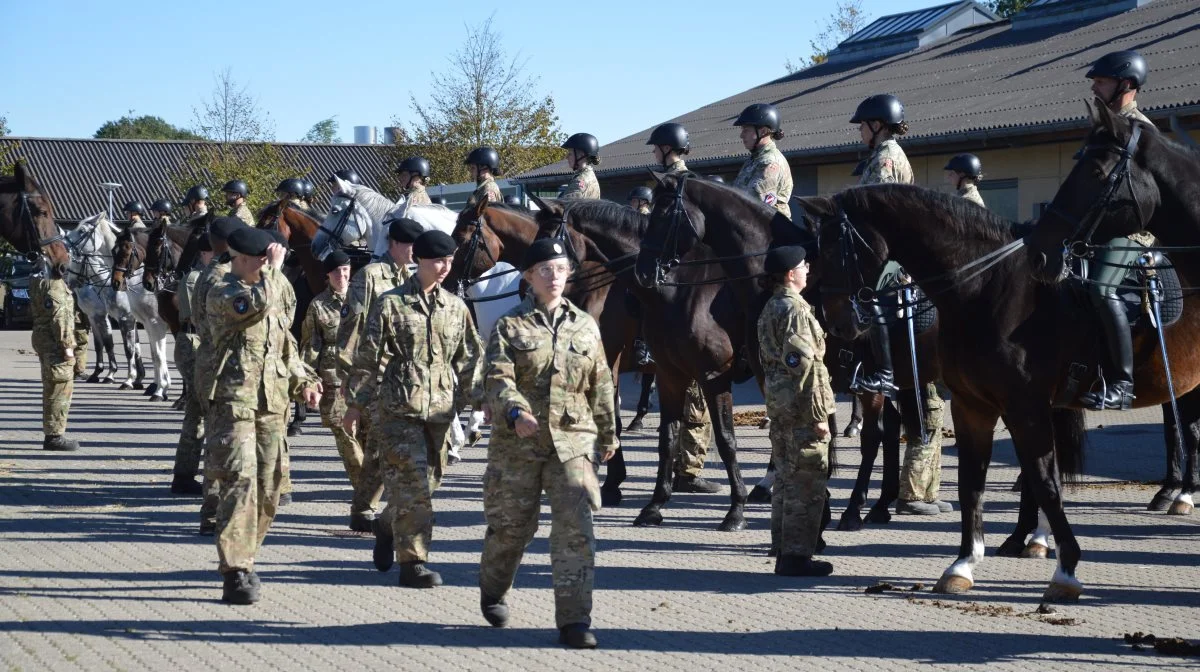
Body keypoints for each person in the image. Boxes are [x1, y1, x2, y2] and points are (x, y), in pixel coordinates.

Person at [478, 238, 618, 648]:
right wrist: (515, 411)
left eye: (560, 268)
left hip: (573, 441)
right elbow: (497, 379)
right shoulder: (509, 325)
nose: (553, 276)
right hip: (517, 444)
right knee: (511, 529)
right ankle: (494, 587)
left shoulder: (585, 325)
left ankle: (575, 621)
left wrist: (609, 433)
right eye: (544, 269)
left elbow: (602, 382)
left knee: (576, 529)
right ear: (527, 277)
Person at [344, 230, 483, 588]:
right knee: (414, 488)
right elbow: (367, 359)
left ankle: (386, 524)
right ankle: (414, 563)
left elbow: (470, 359)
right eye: (438, 261)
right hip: (398, 410)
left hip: (439, 412)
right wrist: (356, 405)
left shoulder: (455, 307)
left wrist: (482, 404)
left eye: (449, 261)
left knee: (427, 484)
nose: (444, 268)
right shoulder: (391, 303)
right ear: (418, 261)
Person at [206, 226, 319, 604]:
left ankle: (246, 555)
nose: (267, 263)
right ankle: (235, 571)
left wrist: (305, 380)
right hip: (235, 403)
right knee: (240, 483)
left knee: (271, 488)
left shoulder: (271, 291)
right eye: (261, 259)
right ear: (241, 259)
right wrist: (274, 270)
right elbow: (256, 305)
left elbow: (285, 345)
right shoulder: (225, 291)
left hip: (272, 405)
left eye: (267, 259)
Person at [336, 218, 421, 535]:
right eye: (411, 245)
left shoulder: (408, 278)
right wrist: (349, 378)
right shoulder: (370, 277)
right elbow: (350, 329)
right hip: (370, 376)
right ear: (395, 244)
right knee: (381, 446)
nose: (415, 252)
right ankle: (379, 510)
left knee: (378, 448)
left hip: (397, 377)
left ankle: (364, 509)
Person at [1080, 49, 1154, 410]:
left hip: (1133, 231)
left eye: (1101, 81)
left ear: (1125, 85)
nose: (1094, 86)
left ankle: (1122, 383)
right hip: (1094, 227)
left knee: (1101, 286)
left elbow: (1143, 197)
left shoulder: (1141, 131)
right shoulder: (1101, 127)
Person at [757, 245, 833, 576]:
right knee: (806, 481)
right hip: (802, 408)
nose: (808, 270)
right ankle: (797, 557)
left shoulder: (771, 307)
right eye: (803, 266)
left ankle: (783, 546)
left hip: (781, 405)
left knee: (786, 480)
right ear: (790, 274)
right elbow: (807, 367)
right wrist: (819, 416)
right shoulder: (795, 311)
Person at [851, 93, 912, 397]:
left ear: (877, 125)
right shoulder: (882, 154)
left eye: (862, 125)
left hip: (889, 248)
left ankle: (885, 373)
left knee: (873, 298)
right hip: (884, 243)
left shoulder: (886, 157)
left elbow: (879, 204)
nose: (860, 131)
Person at [191, 216, 245, 534]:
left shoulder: (215, 273)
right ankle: (211, 512)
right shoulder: (219, 278)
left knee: (218, 441)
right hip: (216, 368)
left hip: (213, 365)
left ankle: (214, 510)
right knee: (218, 443)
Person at [300, 250, 364, 500]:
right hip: (334, 381)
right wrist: (309, 380)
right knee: (346, 438)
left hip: (363, 380)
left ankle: (371, 486)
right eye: (337, 271)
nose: (342, 276)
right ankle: (364, 491)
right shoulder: (318, 306)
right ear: (328, 275)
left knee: (367, 438)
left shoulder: (361, 300)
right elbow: (310, 347)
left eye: (346, 271)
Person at [170, 235, 214, 495]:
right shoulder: (197, 278)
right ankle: (186, 474)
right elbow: (198, 317)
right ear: (204, 255)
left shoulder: (202, 277)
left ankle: (185, 474)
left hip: (196, 341)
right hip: (193, 341)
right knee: (198, 410)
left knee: (197, 412)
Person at [31, 264, 80, 452]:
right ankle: (54, 437)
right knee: (59, 388)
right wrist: (67, 347)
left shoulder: (38, 281)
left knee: (51, 386)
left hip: (44, 339)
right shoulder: (55, 285)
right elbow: (60, 317)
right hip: (55, 344)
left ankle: (52, 433)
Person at [731, 103, 794, 219]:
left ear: (763, 131)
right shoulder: (754, 159)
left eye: (746, 130)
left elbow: (753, 202)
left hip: (770, 232)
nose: (741, 135)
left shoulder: (769, 162)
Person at [559, 133, 602, 200]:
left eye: (570, 154)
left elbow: (563, 208)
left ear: (581, 155)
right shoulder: (589, 176)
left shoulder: (579, 182)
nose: (566, 157)